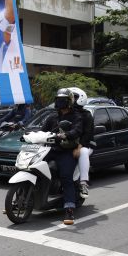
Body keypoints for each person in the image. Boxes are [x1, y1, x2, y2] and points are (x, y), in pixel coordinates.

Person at [41, 88, 83, 225]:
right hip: (51, 149)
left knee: (66, 177)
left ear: (69, 101)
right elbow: (43, 131)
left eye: (63, 100)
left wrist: (66, 134)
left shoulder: (76, 116)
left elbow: (77, 130)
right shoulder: (52, 117)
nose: (60, 102)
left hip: (66, 151)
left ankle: (69, 209)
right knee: (32, 167)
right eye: (58, 100)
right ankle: (21, 199)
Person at [71, 88, 95, 199]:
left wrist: (78, 147)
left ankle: (84, 183)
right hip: (67, 144)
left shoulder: (86, 115)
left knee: (83, 152)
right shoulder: (65, 113)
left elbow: (87, 134)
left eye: (73, 97)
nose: (71, 99)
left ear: (80, 98)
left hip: (84, 144)